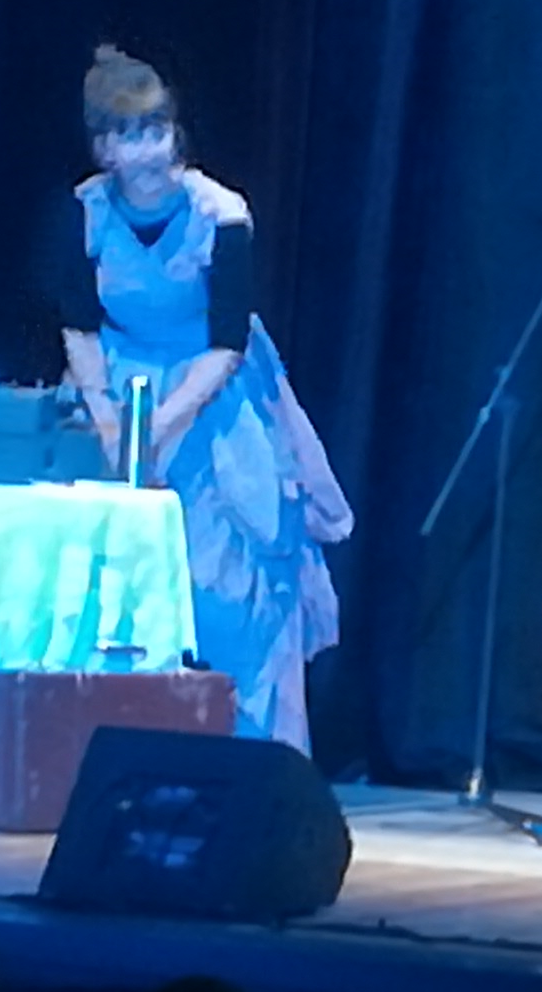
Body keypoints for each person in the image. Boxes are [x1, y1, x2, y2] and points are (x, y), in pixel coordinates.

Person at [37, 45, 351, 753]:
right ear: (104, 148)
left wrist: (156, 429)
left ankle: (246, 751)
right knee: (106, 569)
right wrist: (109, 421)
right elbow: (79, 325)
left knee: (224, 575)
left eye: (157, 131)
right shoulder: (83, 212)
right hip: (115, 381)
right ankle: (113, 746)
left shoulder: (221, 213)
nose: (147, 150)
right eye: (128, 135)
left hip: (210, 392)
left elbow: (226, 340)